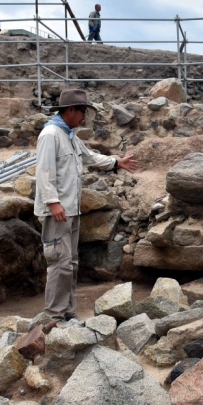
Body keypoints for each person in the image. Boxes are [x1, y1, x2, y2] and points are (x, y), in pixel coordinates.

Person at [34, 89, 138, 322]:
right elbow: (44, 172)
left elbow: (89, 157)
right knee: (59, 262)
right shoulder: (50, 135)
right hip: (57, 211)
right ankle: (54, 315)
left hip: (70, 210)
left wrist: (116, 162)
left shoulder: (69, 135)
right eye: (82, 111)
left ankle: (67, 311)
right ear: (70, 110)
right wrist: (53, 203)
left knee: (69, 262)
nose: (84, 117)